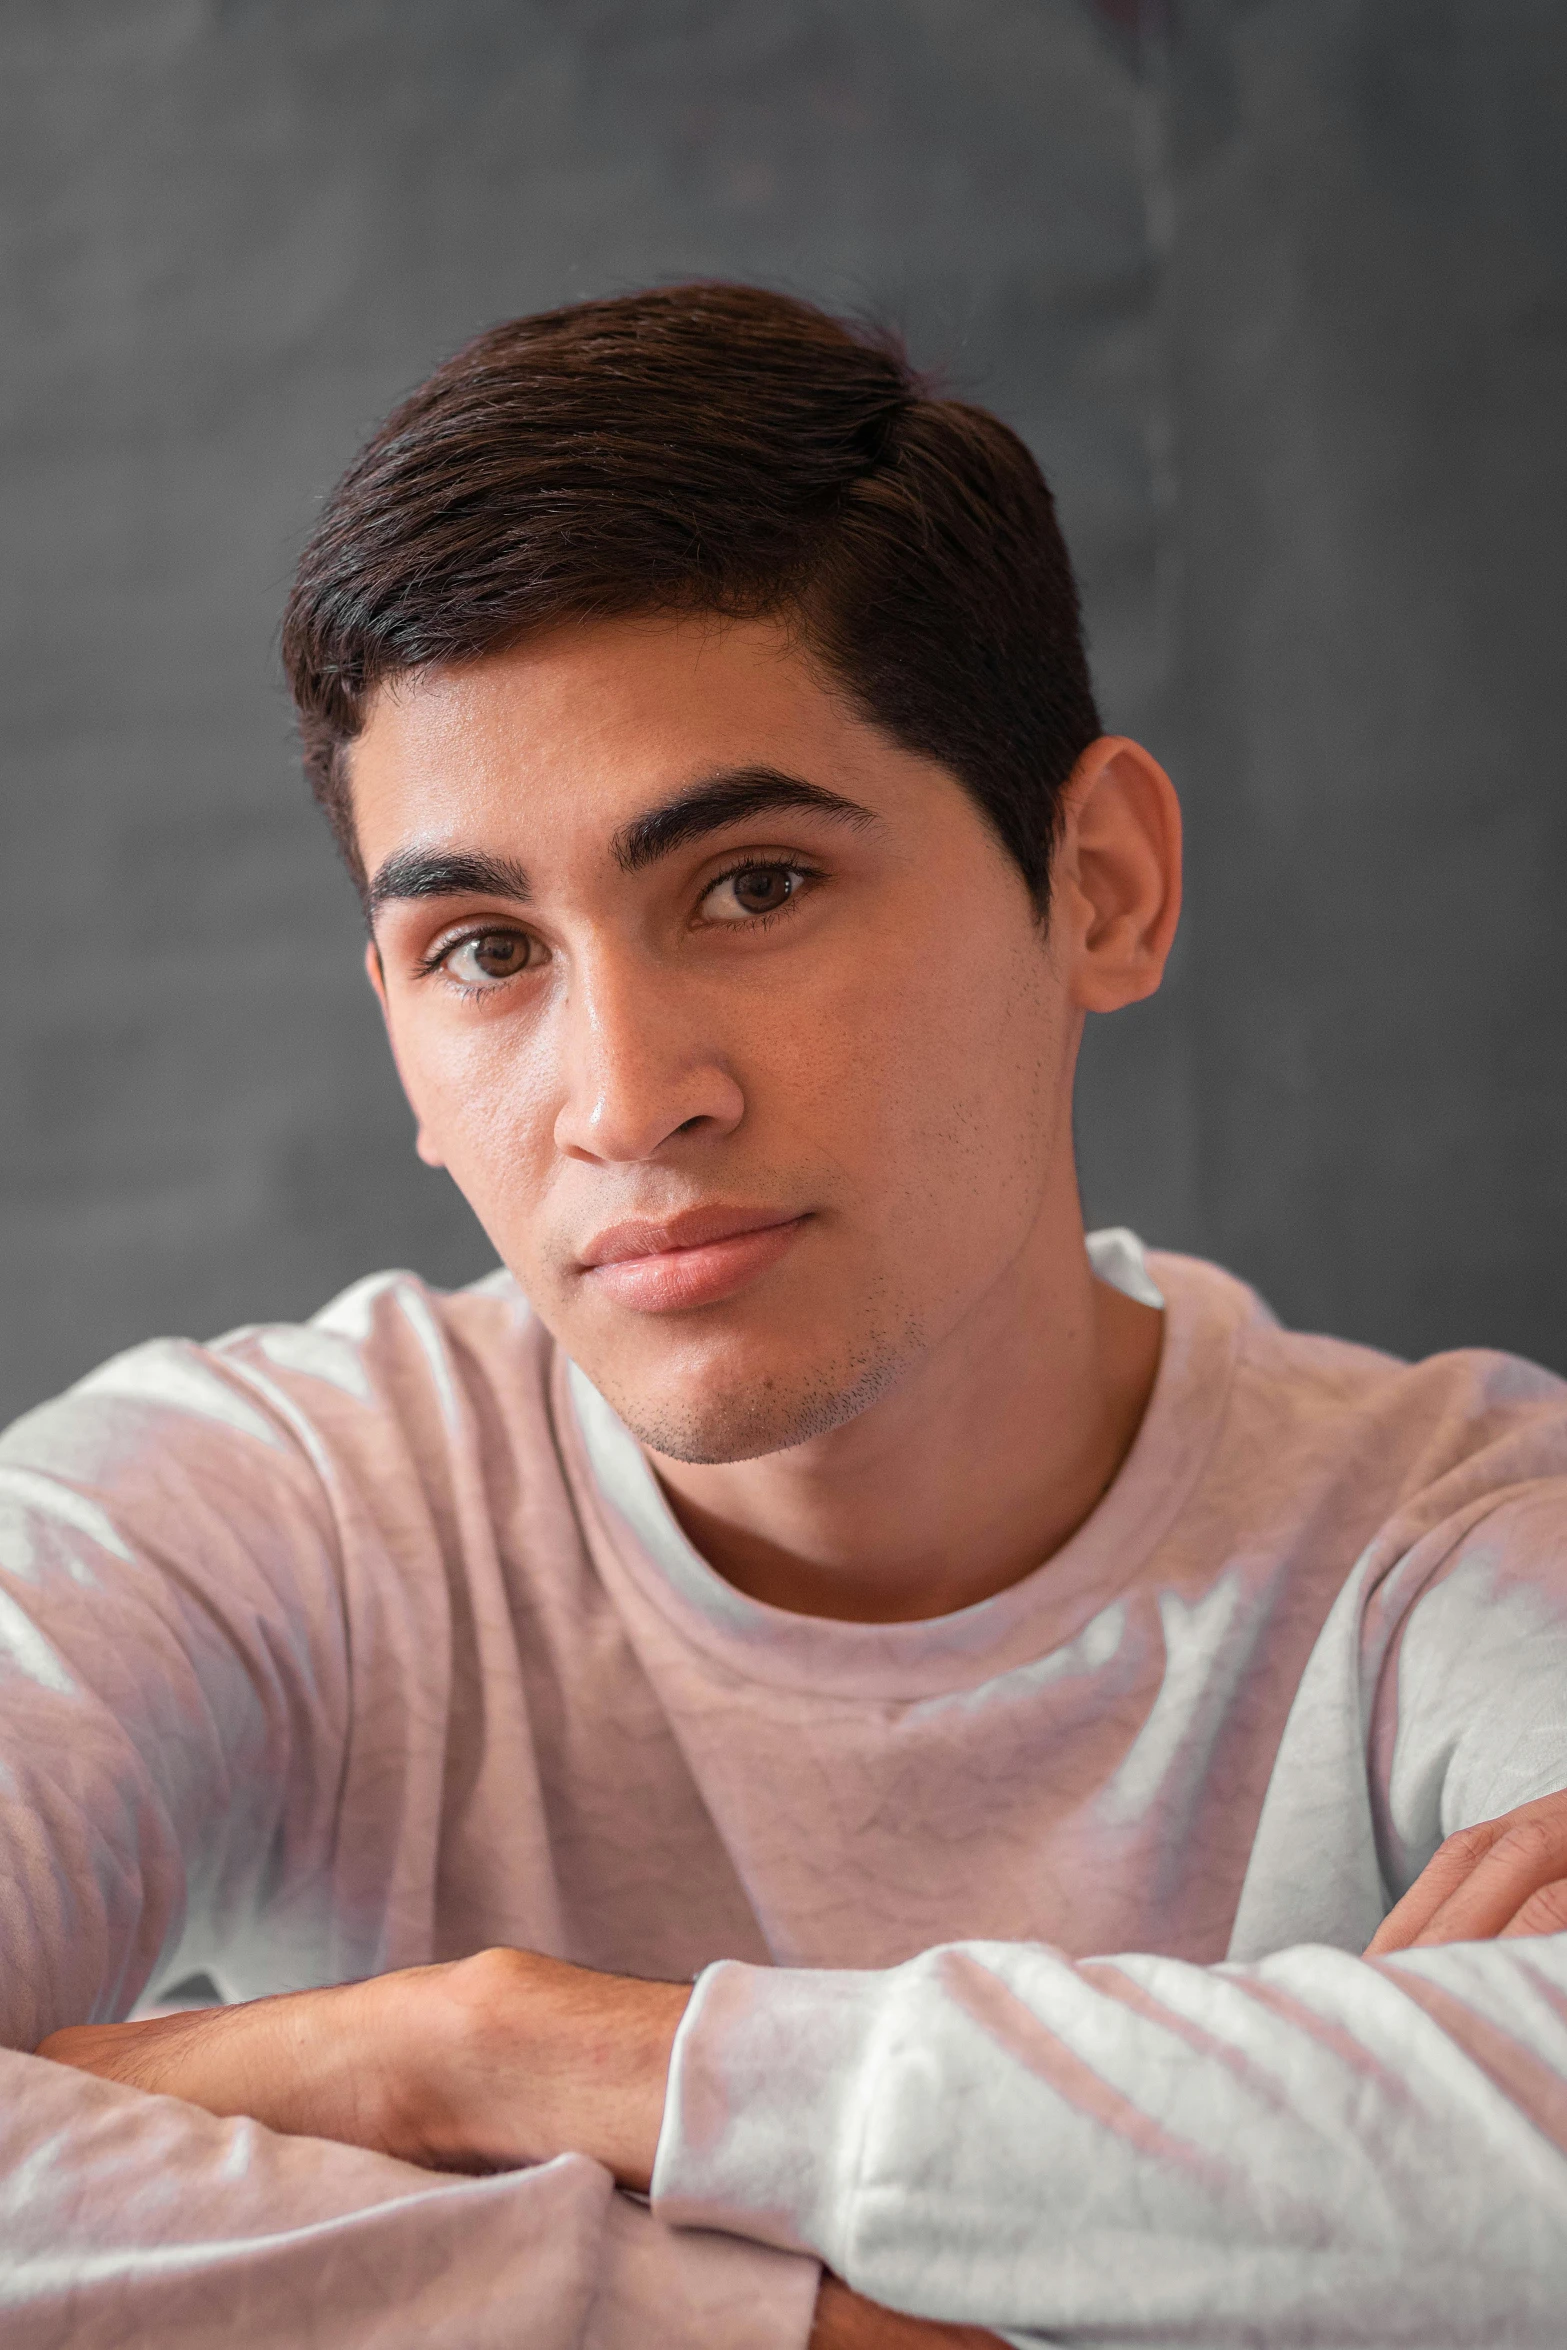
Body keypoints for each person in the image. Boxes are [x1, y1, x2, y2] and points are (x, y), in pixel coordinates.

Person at [3, 284, 1566, 2350]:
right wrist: (801, 2328)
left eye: (752, 885)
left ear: (1095, 882)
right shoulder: (253, 1508)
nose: (627, 1096)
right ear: (395, 1027)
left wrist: (495, 2061)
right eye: (484, 947)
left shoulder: (1468, 1534)